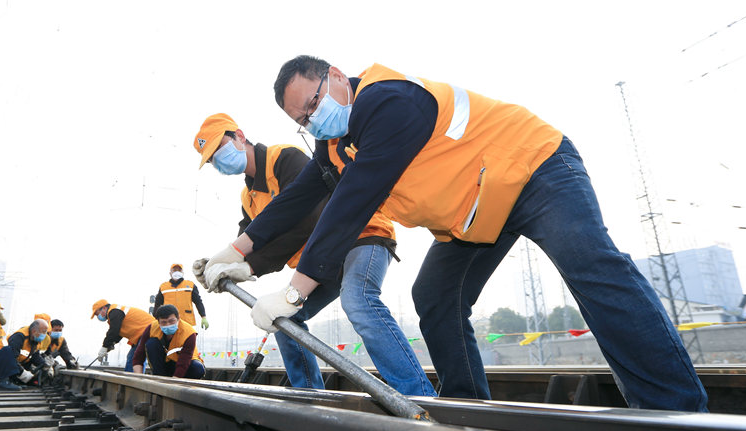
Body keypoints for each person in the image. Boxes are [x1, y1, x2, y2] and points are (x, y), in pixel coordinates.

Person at [239, 55, 707, 412]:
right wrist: (239, 250)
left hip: (534, 167)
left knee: (593, 267)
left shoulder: (388, 100)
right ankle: (466, 410)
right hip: (481, 210)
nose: (312, 119)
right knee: (436, 295)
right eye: (302, 119)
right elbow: (299, 197)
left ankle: (676, 413)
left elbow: (351, 203)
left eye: (314, 103)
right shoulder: (337, 144)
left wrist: (296, 292)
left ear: (338, 75)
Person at [192, 113, 435, 396]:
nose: (218, 160)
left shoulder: (284, 158)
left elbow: (309, 218)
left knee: (358, 299)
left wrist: (249, 267)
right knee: (285, 319)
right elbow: (249, 241)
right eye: (211, 159)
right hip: (318, 265)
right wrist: (219, 263)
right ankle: (309, 396)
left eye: (219, 148)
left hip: (360, 237)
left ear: (239, 136)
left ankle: (418, 395)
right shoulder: (249, 199)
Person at [131, 304, 206, 379]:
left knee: (197, 368)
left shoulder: (189, 333)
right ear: (158, 322)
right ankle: (159, 377)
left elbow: (185, 360)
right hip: (163, 364)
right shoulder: (151, 328)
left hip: (183, 365)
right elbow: (139, 354)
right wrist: (139, 377)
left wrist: (174, 381)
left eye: (171, 321)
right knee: (151, 343)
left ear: (178, 318)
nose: (168, 325)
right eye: (164, 322)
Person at [0, 319, 46, 391]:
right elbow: (12, 357)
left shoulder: (34, 342)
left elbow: (35, 357)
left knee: (27, 360)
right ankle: (4, 382)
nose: (44, 335)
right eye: (43, 332)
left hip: (2, 367)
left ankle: (14, 381)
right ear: (34, 331)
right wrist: (23, 373)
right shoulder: (19, 336)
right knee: (8, 350)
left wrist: (46, 366)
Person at [91, 299, 154, 371]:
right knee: (132, 357)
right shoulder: (115, 312)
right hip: (144, 333)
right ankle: (132, 378)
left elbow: (114, 331)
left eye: (97, 313)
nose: (98, 316)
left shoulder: (114, 311)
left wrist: (105, 346)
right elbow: (118, 334)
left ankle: (133, 380)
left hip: (148, 331)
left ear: (104, 308)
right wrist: (110, 344)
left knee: (135, 358)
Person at [153, 263, 209, 329]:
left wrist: (203, 317)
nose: (177, 272)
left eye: (179, 270)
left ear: (183, 272)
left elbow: (198, 302)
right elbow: (157, 305)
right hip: (168, 322)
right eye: (174, 270)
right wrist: (155, 319)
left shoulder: (190, 285)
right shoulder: (163, 287)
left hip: (187, 322)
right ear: (170, 273)